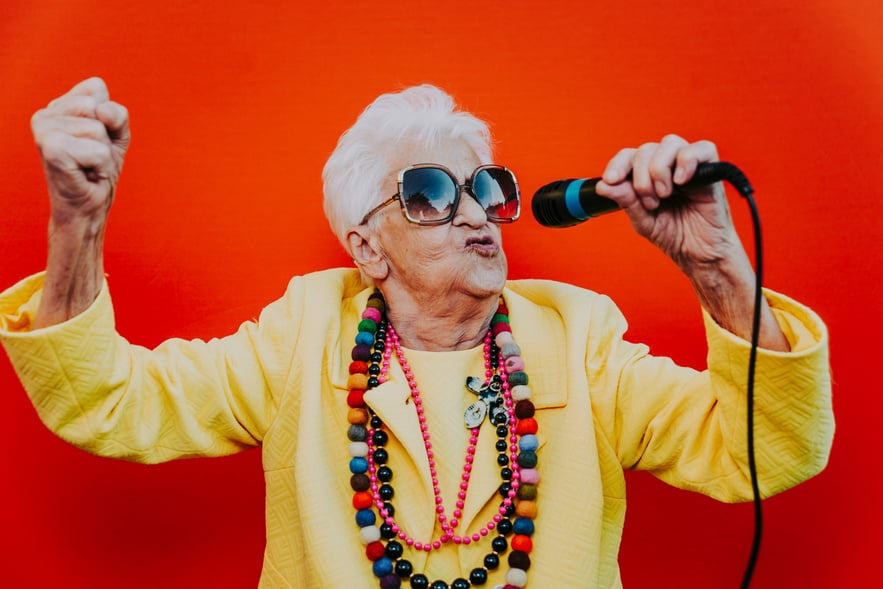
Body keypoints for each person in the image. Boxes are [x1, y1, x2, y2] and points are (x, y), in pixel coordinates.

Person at [0, 77, 833, 589]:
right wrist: (79, 225)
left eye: (485, 187)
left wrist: (719, 267)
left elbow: (770, 449)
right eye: (432, 192)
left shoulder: (577, 338)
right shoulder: (302, 337)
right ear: (366, 247)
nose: (475, 213)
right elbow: (110, 402)